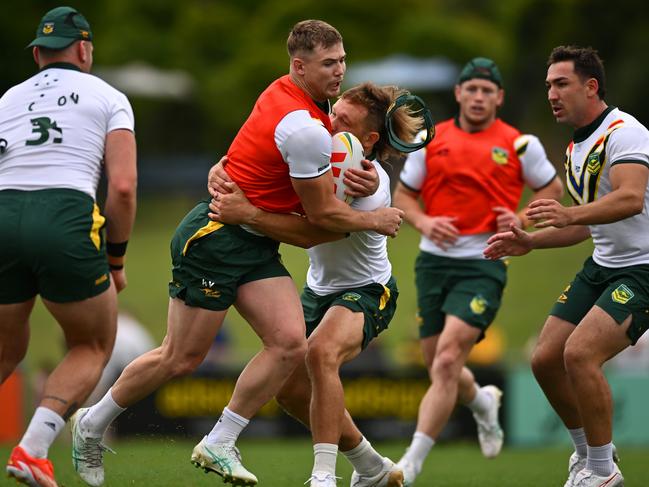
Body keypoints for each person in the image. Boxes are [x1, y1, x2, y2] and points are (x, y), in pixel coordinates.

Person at [70, 20, 404, 487]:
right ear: (299, 65)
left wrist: (229, 171)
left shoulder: (297, 98)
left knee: (289, 344)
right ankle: (91, 423)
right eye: (329, 64)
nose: (339, 72)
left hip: (251, 238)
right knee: (180, 357)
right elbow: (316, 227)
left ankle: (220, 441)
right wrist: (374, 218)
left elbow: (256, 155)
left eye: (342, 60)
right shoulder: (305, 128)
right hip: (217, 237)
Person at [209, 82, 432, 487]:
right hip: (319, 293)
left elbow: (311, 229)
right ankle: (371, 468)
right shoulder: (314, 158)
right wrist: (221, 171)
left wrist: (247, 214)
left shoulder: (370, 180)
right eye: (333, 113)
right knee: (292, 393)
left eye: (342, 121)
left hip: (368, 291)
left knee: (321, 353)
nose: (329, 123)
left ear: (368, 140)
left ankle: (323, 476)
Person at [392, 57, 563, 485]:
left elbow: (552, 189)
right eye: (472, 89)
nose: (479, 97)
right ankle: (483, 403)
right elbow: (403, 197)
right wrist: (426, 222)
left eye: (487, 91)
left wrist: (521, 219)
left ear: (499, 98)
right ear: (459, 94)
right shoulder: (431, 141)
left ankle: (410, 463)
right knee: (439, 366)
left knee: (449, 356)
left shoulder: (520, 143)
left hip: (484, 262)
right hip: (433, 262)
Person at [485, 45, 649, 487]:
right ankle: (588, 454)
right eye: (548, 86)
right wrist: (530, 242)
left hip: (643, 271)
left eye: (561, 84)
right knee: (544, 359)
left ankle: (602, 470)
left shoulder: (625, 132)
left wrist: (570, 213)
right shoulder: (577, 146)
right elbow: (584, 225)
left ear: (590, 86)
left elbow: (631, 198)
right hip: (601, 265)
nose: (552, 94)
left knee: (580, 354)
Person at [0, 6, 137, 487]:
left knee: (6, 347)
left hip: (3, 212)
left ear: (38, 54)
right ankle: (33, 452)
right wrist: (115, 259)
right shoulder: (109, 96)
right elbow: (121, 187)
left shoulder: (8, 98)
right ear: (84, 50)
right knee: (92, 344)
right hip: (63, 216)